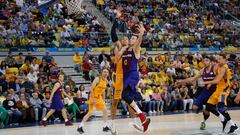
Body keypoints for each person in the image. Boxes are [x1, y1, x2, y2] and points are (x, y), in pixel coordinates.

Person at [109, 9, 143, 133]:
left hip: (127, 77)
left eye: (126, 39)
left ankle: (134, 121)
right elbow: (113, 34)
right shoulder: (119, 47)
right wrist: (116, 20)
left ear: (129, 42)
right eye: (122, 39)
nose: (124, 40)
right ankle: (112, 124)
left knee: (129, 100)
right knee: (115, 101)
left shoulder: (131, 50)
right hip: (118, 77)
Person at [120, 21, 150, 132]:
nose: (132, 39)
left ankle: (141, 116)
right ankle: (142, 118)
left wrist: (141, 34)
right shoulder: (126, 50)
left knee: (124, 95)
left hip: (132, 74)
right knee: (126, 97)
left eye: (134, 38)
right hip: (126, 75)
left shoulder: (135, 49)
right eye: (131, 38)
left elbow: (138, 43)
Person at [176, 56, 218, 130]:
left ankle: (204, 121)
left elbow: (218, 77)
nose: (205, 62)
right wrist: (181, 81)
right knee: (194, 107)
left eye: (207, 60)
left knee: (207, 112)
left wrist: (211, 83)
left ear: (210, 62)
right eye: (204, 61)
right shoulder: (202, 70)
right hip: (205, 90)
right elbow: (192, 78)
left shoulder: (214, 68)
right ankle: (204, 107)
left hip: (214, 92)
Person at [203, 54, 238, 134]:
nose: (218, 60)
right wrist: (210, 84)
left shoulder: (224, 68)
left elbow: (217, 80)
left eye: (220, 59)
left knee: (221, 107)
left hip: (224, 89)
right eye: (218, 59)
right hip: (218, 89)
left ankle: (233, 125)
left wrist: (206, 82)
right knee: (208, 106)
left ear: (225, 60)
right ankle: (223, 119)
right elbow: (217, 77)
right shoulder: (218, 66)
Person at [77, 68, 111, 134]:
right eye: (104, 72)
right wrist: (92, 99)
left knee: (101, 111)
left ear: (108, 73)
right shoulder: (97, 79)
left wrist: (103, 99)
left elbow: (103, 91)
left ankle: (80, 127)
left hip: (99, 97)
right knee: (93, 112)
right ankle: (104, 126)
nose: (105, 73)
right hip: (93, 97)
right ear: (101, 72)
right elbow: (91, 89)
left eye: (107, 72)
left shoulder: (106, 81)